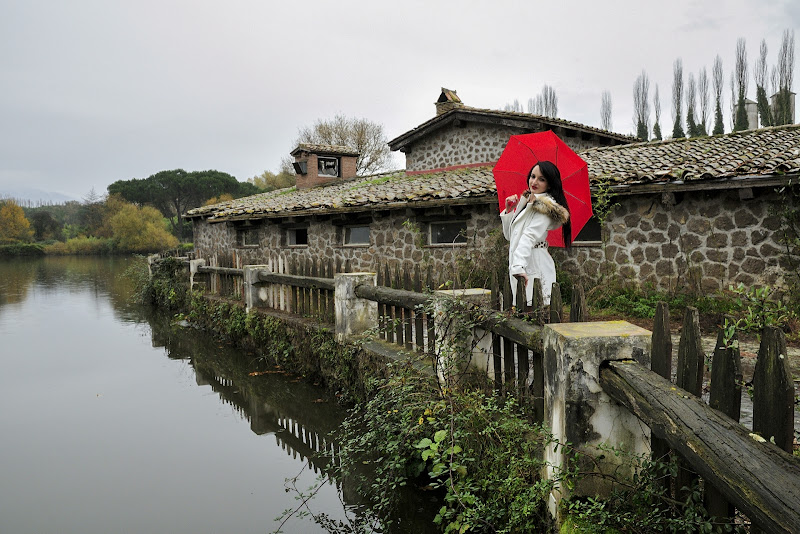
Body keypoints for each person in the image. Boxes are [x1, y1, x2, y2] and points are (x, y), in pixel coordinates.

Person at [500, 160, 571, 306]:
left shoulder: (545, 208)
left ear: (549, 184)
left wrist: (518, 266)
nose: (534, 182)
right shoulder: (527, 202)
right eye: (533, 176)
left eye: (541, 179)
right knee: (524, 310)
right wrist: (509, 211)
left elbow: (529, 236)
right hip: (522, 261)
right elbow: (510, 237)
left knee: (536, 310)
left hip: (535, 263)